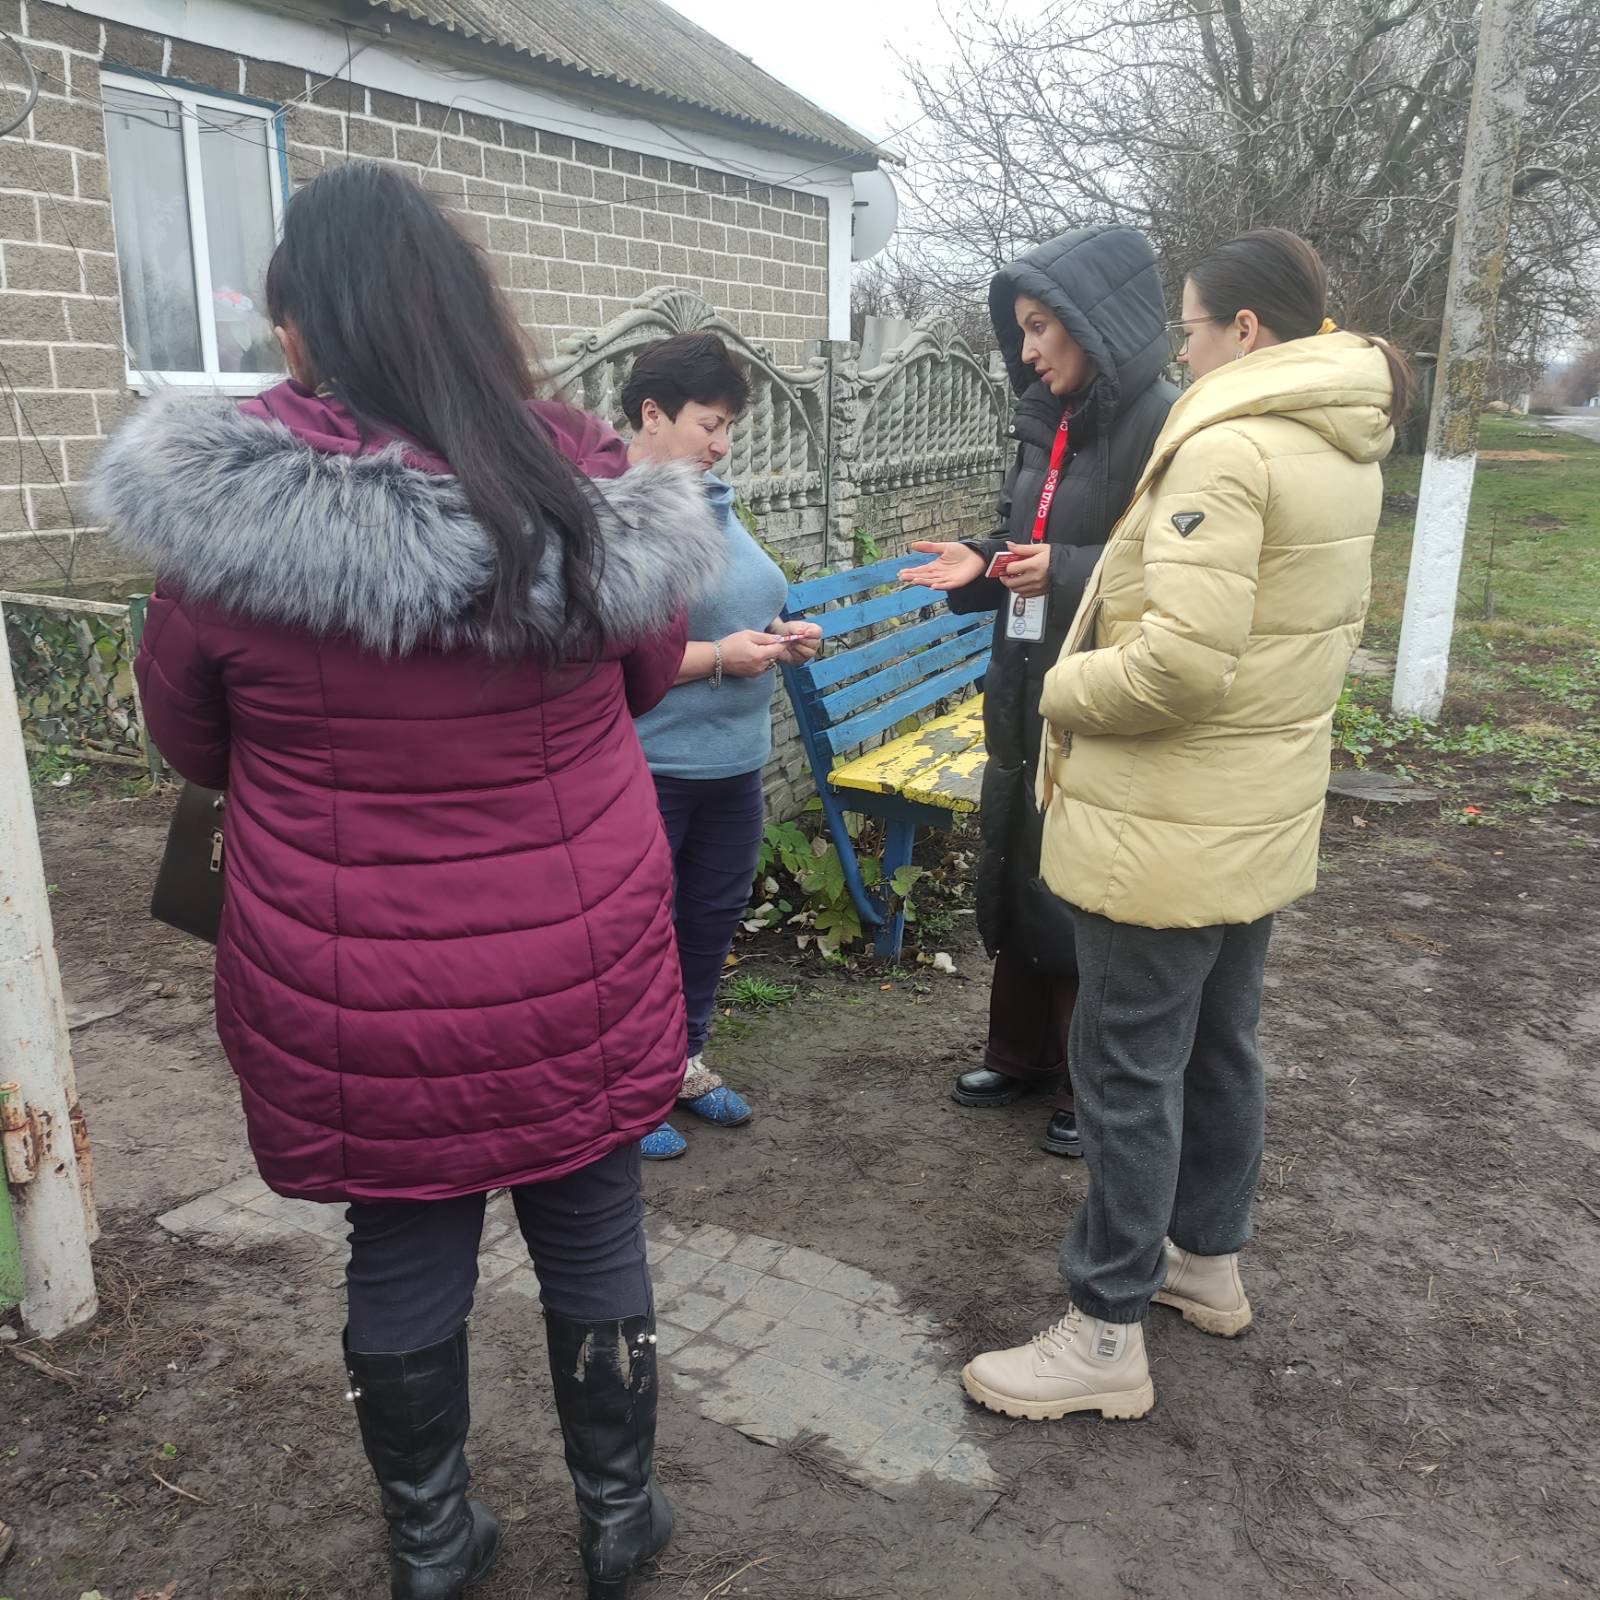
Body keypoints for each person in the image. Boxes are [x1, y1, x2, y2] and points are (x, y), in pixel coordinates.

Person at [89, 162, 724, 1600]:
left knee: (406, 1233)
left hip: (356, 973)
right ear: (463, 308)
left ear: (300, 326)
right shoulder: (580, 484)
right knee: (593, 1218)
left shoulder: (225, 527)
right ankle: (619, 1521)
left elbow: (194, 738)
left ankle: (434, 1547)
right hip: (579, 948)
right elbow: (637, 681)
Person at [961, 229, 1412, 1421]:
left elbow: (1176, 669)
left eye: (1191, 327)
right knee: (1221, 1041)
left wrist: (1060, 687)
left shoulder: (1227, 449)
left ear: (1243, 332)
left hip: (1168, 819)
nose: (1181, 345)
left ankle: (1103, 1330)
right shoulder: (1340, 440)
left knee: (1122, 1067)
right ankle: (1203, 1260)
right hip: (1254, 809)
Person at [899, 227, 1175, 1157]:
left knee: (1078, 876)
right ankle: (1017, 1055)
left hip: (1101, 686)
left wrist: (1056, 570)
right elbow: (1030, 539)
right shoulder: (1047, 421)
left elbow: (1166, 566)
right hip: (1026, 677)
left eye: (1041, 327)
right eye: (1020, 330)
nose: (1026, 350)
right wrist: (980, 562)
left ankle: (1078, 1078)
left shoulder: (1161, 424)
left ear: (1095, 327)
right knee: (1017, 850)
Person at [621, 331, 822, 1159]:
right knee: (638, 934)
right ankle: (627, 1092)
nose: (721, 442)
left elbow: (735, 605)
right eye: (709, 422)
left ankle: (682, 1060)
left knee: (708, 920)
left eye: (728, 425)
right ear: (652, 413)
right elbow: (602, 655)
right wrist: (718, 659)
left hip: (731, 765)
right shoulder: (620, 514)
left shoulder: (714, 503)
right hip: (650, 769)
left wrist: (781, 633)